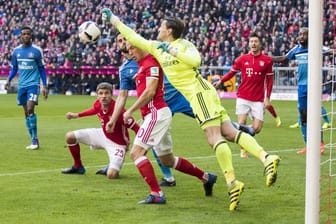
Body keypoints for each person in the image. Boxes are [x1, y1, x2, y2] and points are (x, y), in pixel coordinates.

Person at [102, 9, 280, 211]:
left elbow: (196, 61)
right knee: (230, 133)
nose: (158, 29)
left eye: (161, 27)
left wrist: (172, 50)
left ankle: (232, 183)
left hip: (199, 94)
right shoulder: (156, 48)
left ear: (169, 31)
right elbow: (133, 36)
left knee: (214, 138)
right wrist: (113, 20)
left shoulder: (183, 45)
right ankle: (266, 158)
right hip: (201, 95)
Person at [121, 41, 217, 204]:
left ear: (142, 46)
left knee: (136, 153)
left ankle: (157, 193)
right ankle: (206, 177)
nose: (130, 52)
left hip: (156, 114)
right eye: (128, 49)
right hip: (157, 115)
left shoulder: (150, 63)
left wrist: (130, 110)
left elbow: (150, 91)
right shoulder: (142, 64)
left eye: (132, 48)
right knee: (167, 160)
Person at [213, 32, 278, 158]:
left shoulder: (267, 61)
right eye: (251, 41)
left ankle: (238, 130)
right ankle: (243, 149)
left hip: (258, 99)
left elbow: (269, 81)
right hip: (243, 96)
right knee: (242, 121)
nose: (253, 44)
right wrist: (221, 81)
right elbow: (231, 73)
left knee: (257, 128)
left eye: (256, 41)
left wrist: (267, 98)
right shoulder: (242, 59)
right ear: (249, 44)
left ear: (260, 44)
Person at [272, 27, 334, 155]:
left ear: (309, 36)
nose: (300, 36)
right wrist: (267, 58)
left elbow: (331, 51)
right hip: (301, 87)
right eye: (299, 34)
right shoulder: (296, 49)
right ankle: (307, 145)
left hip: (314, 85)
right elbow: (284, 58)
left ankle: (320, 144)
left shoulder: (316, 47)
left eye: (303, 34)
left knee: (315, 115)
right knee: (303, 116)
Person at [61, 82, 140, 179]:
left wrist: (138, 147)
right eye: (101, 93)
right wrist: (76, 115)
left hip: (118, 144)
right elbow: (94, 110)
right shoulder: (98, 104)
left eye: (107, 93)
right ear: (97, 95)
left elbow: (137, 128)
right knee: (70, 136)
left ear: (112, 95)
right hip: (103, 134)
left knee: (112, 175)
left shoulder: (120, 112)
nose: (104, 96)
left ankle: (110, 166)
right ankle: (78, 166)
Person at [4, 26, 48, 150]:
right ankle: (33, 139)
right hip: (22, 85)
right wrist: (8, 80)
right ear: (21, 36)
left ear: (31, 35)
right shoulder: (16, 51)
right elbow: (14, 68)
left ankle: (35, 140)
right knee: (26, 113)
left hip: (33, 84)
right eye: (23, 34)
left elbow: (41, 68)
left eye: (28, 34)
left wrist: (44, 85)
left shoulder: (37, 51)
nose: (26, 36)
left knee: (30, 108)